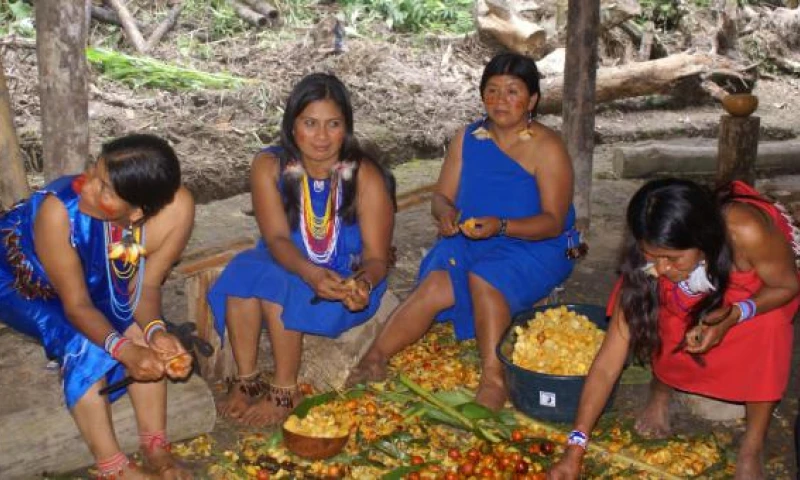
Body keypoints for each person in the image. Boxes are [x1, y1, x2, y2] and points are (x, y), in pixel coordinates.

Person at [347, 52, 580, 410]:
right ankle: (374, 356)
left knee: (485, 279)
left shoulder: (547, 148)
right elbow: (440, 197)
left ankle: (494, 377)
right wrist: (446, 215)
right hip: (474, 236)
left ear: (532, 99)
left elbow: (552, 220)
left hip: (537, 243)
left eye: (512, 91)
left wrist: (502, 226)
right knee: (436, 284)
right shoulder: (468, 138)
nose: (500, 100)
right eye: (492, 90)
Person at [548, 178, 800, 480]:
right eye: (652, 255)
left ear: (703, 239)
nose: (662, 268)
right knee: (655, 307)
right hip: (702, 293)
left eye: (674, 258)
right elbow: (606, 366)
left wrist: (735, 314)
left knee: (769, 327)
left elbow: (787, 285)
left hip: (751, 293)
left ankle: (752, 444)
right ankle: (662, 388)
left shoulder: (745, 231)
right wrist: (575, 447)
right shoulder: (652, 264)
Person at [0, 134, 196, 479]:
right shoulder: (59, 211)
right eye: (94, 171)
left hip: (94, 277)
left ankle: (155, 446)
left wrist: (157, 332)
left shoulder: (175, 208)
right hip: (25, 282)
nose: (86, 187)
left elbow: (145, 288)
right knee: (84, 342)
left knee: (142, 335)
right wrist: (123, 350)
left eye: (104, 188)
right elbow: (76, 306)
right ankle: (113, 467)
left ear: (136, 212)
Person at [208, 73, 395, 427]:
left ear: (347, 128)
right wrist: (308, 272)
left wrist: (363, 286)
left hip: (344, 275)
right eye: (310, 123)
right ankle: (246, 381)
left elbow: (376, 257)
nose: (322, 137)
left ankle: (284, 389)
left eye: (333, 124)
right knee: (243, 270)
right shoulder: (269, 166)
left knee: (280, 286)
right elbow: (277, 239)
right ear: (292, 125)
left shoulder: (364, 175)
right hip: (286, 258)